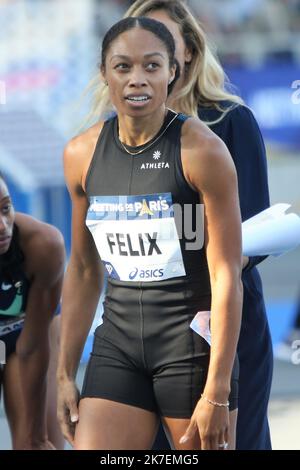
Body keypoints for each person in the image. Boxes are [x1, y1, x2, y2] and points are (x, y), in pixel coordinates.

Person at [89, 0, 272, 451]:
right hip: (134, 329)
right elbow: (90, 255)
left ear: (182, 55)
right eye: (127, 58)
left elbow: (256, 227)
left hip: (220, 321)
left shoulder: (228, 123)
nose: (141, 67)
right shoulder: (106, 135)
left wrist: (207, 264)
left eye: (159, 47)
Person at [57, 16, 243, 451]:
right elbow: (84, 268)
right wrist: (65, 373)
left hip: (190, 345)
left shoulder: (203, 151)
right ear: (104, 73)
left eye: (152, 66)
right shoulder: (80, 154)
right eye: (123, 67)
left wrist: (217, 389)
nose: (136, 79)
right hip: (118, 344)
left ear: (172, 72)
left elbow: (227, 275)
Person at [0, 173, 65, 450]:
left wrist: (37, 437)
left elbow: (33, 348)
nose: (3, 226)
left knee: (37, 443)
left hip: (27, 331)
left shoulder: (43, 245)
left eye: (5, 208)